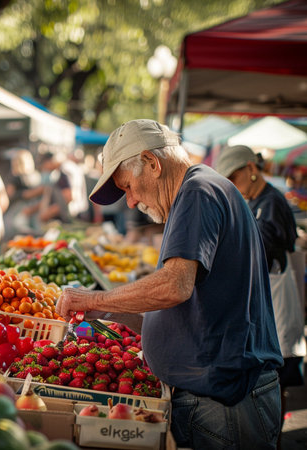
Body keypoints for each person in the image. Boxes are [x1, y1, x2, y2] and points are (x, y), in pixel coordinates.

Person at [56, 119, 283, 449]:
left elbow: (174, 286)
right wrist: (108, 312)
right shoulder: (194, 193)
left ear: (152, 163)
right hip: (219, 398)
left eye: (128, 187)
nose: (130, 203)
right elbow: (184, 311)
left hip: (227, 401)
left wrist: (95, 300)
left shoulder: (197, 193)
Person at [215, 144, 306, 444]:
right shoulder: (254, 200)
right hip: (264, 296)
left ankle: (273, 436)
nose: (233, 185)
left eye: (234, 176)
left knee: (275, 371)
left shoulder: (272, 202)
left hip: (278, 296)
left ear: (251, 170)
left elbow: (262, 251)